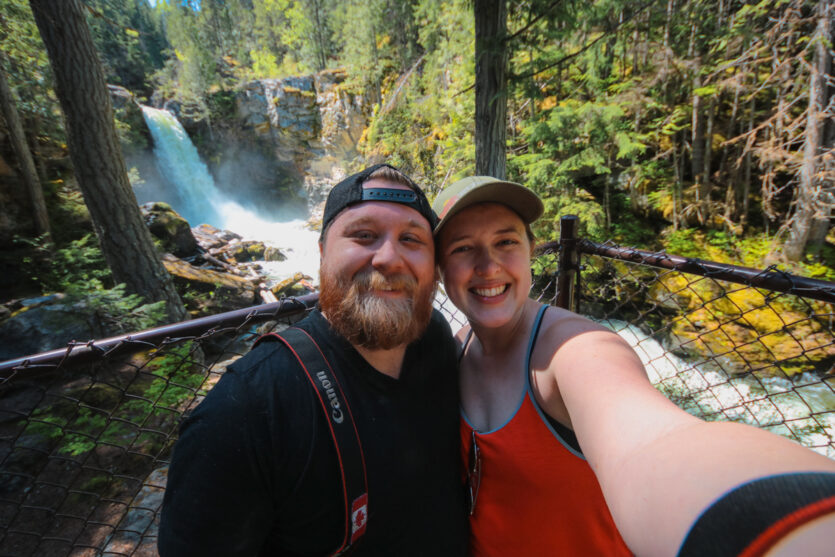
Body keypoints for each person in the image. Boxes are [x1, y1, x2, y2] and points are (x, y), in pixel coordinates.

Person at [432, 176, 835, 557]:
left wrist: (785, 520)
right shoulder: (457, 347)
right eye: (463, 248)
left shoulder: (574, 350)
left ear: (531, 251)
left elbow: (653, 443)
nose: (488, 266)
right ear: (440, 271)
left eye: (506, 241)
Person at [159, 164, 468, 556]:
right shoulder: (249, 411)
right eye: (364, 235)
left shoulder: (435, 338)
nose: (389, 258)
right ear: (322, 252)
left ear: (434, 267)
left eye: (411, 239)